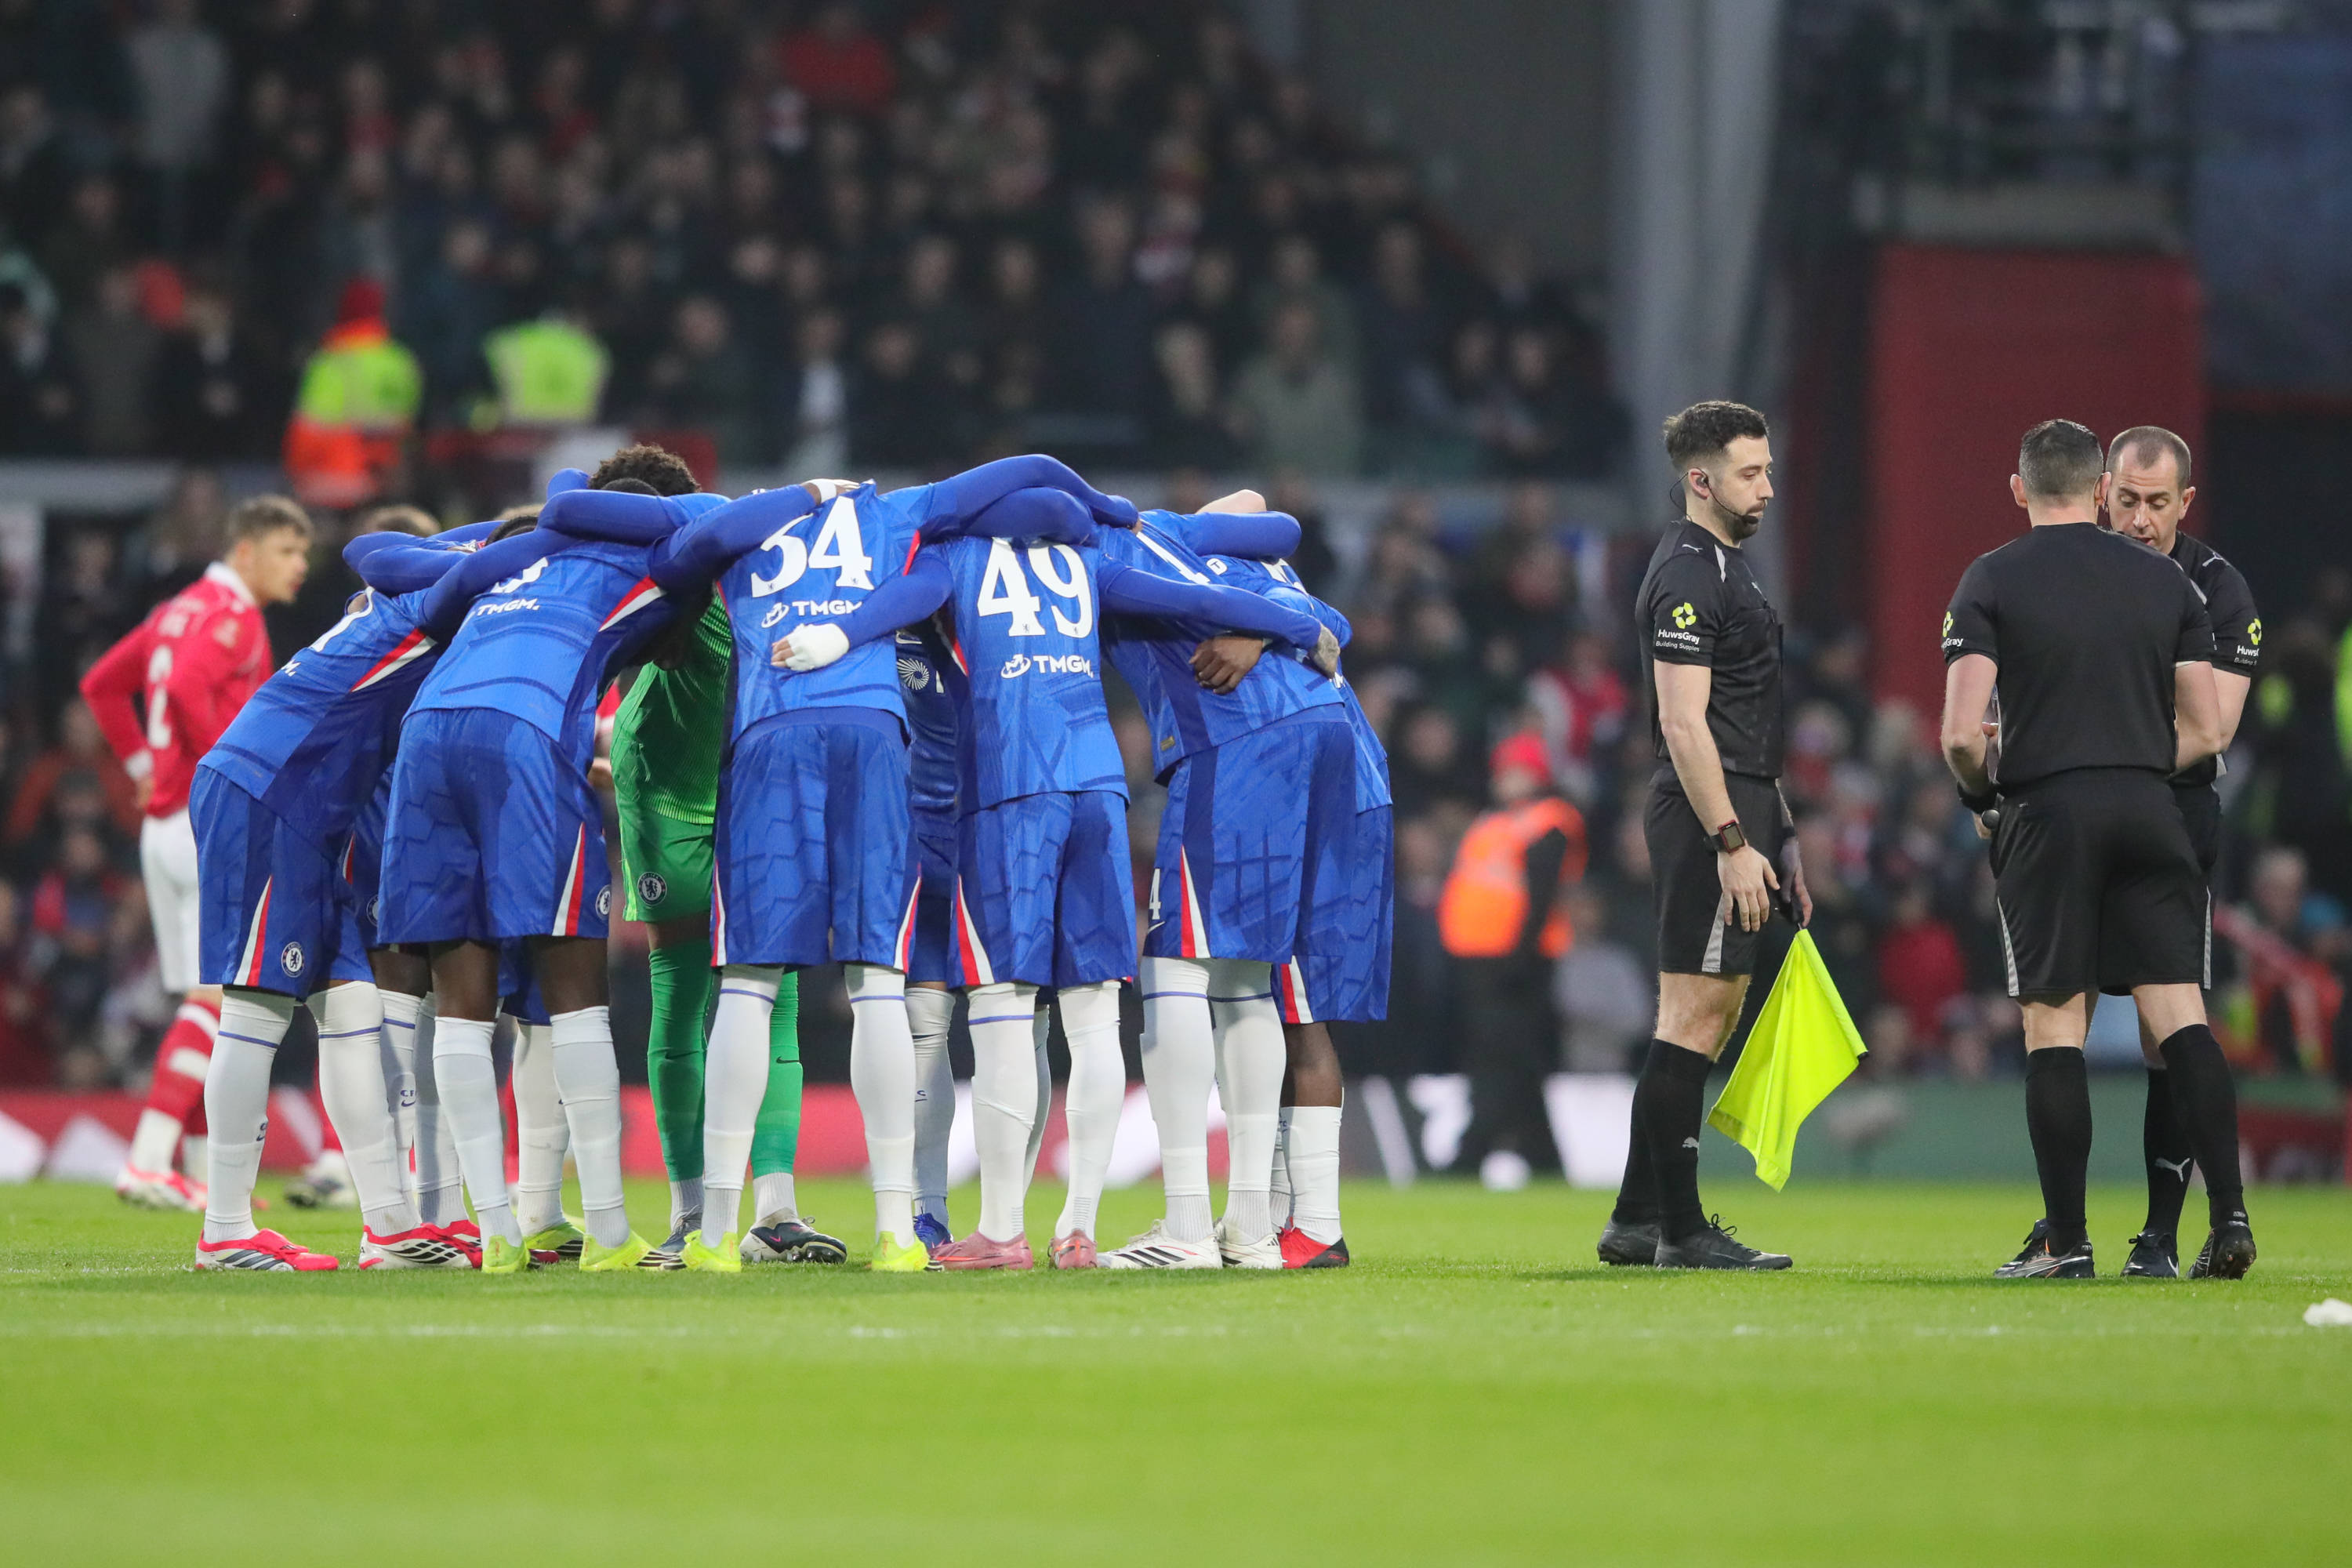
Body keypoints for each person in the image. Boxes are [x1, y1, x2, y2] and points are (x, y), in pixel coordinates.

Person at [537, 456, 1138, 1271]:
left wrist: (795, 497)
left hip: (768, 742)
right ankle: (897, 1232)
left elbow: (572, 507)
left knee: (743, 986)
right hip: (876, 741)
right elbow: (1026, 476)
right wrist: (1105, 507)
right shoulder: (896, 509)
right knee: (878, 985)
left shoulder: (728, 518)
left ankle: (710, 1230)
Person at [782, 486, 1337, 1269]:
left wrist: (832, 634)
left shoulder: (941, 556)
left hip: (997, 793)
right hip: (1096, 789)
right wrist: (1302, 624)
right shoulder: (1088, 560)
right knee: (1089, 1012)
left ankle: (978, 1225)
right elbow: (1207, 591)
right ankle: (1077, 1224)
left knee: (992, 1010)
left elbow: (896, 604)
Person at [183, 514, 546, 1269]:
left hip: (310, 812)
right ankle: (223, 1230)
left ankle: (388, 1226)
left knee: (351, 1011)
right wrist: (552, 536)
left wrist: (515, 531)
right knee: (254, 1010)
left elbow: (376, 551)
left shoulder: (415, 593)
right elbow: (403, 557)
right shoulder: (441, 606)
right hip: (269, 790)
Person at [375, 457, 704, 1273]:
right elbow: (681, 628)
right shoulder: (651, 562)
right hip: (526, 734)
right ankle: (608, 1232)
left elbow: (392, 557)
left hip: (428, 733)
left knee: (461, 1002)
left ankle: (494, 1231)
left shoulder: (514, 559)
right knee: (575, 997)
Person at [1939, 418, 2247, 1280]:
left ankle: (2067, 1241)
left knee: (2053, 1023)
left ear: (2020, 488)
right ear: (2101, 489)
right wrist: (2132, 757)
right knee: (2180, 1015)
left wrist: (1985, 797)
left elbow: (1961, 733)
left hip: (2049, 811)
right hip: (2153, 810)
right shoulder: (2166, 581)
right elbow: (2208, 728)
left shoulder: (1991, 577)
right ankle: (2229, 1218)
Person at [1085, 507, 1358, 1269]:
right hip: (1319, 735)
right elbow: (1278, 528)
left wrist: (1280, 627)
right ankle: (1251, 1227)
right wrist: (1284, 624)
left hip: (1231, 743)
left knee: (1174, 967)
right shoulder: (1174, 535)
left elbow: (1227, 595)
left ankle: (1186, 1225)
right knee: (1246, 982)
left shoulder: (1094, 558)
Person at [589, 448, 841, 1271]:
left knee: (770, 992)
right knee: (689, 989)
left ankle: (771, 1212)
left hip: (749, 784)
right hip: (669, 787)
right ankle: (694, 1209)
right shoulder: (682, 573)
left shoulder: (728, 562)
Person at [1599, 401, 1802, 1272]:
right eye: (1750, 473)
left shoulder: (1730, 567)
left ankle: (1635, 1217)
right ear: (1700, 480)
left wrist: (1778, 829)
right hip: (1704, 813)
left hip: (1740, 804)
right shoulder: (1688, 572)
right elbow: (1684, 724)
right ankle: (1682, 1231)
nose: (1767, 486)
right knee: (1695, 1014)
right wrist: (1730, 839)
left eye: (1767, 469)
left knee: (1701, 1018)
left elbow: (1743, 716)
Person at [1167, 492, 1390, 1268]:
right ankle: (1284, 1214)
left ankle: (1314, 1223)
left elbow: (1330, 618)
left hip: (1306, 778)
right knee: (1282, 999)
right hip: (1346, 774)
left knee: (1285, 1003)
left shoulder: (1221, 571)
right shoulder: (1269, 577)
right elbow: (1333, 621)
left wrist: (1255, 626)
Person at [78, 496, 312, 1213]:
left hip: (163, 823)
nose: (300, 566)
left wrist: (140, 764)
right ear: (245, 551)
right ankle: (150, 1159)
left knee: (207, 1000)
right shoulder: (233, 616)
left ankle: (200, 1173)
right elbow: (183, 688)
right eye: (286, 551)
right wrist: (234, 768)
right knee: (217, 998)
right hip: (203, 824)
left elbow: (102, 685)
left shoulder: (176, 611)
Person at [1439, 732, 1586, 1187]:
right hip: (1480, 961)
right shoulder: (1496, 821)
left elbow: (1542, 897)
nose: (1505, 778)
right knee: (1517, 1061)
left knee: (1497, 1059)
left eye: (1515, 770)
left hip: (1515, 964)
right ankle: (1544, 1159)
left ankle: (1472, 1152)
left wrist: (1520, 958)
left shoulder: (1548, 821)